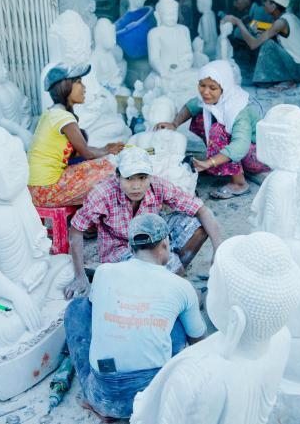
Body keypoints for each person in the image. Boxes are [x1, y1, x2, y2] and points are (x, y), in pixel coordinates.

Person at [64, 213, 207, 421]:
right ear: (165, 244)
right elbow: (198, 342)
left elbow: (92, 312)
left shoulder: (104, 272)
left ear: (131, 248)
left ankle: (96, 404)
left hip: (103, 397)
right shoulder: (181, 287)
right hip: (154, 398)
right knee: (177, 320)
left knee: (77, 308)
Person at [65, 147, 222, 297]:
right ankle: (168, 275)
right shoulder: (102, 193)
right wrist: (80, 276)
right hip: (120, 248)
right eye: (129, 179)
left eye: (142, 178)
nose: (136, 186)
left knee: (199, 223)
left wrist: (218, 250)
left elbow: (202, 210)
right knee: (162, 273)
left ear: (150, 176)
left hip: (154, 238)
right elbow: (76, 230)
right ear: (117, 177)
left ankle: (173, 270)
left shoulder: (157, 185)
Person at [156, 60, 270, 200]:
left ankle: (239, 183)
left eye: (212, 88)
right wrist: (174, 124)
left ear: (224, 88)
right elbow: (191, 106)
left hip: (257, 157)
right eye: (202, 85)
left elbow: (239, 147)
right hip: (241, 151)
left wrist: (209, 163)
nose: (205, 92)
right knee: (201, 118)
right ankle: (221, 163)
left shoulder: (238, 109)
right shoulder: (212, 98)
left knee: (217, 131)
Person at [27, 63, 124, 207]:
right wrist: (108, 149)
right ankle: (94, 221)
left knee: (101, 166)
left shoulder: (52, 114)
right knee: (112, 175)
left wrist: (106, 149)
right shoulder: (63, 117)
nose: (84, 87)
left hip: (37, 188)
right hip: (45, 190)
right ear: (64, 87)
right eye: (78, 82)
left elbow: (80, 152)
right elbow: (87, 153)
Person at [223, 0, 300, 86]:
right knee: (265, 39)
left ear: (273, 6)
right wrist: (252, 25)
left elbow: (253, 44)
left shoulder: (280, 22)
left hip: (298, 70)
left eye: (266, 1)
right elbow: (268, 29)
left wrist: (238, 22)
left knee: (267, 44)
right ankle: (284, 78)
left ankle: (271, 81)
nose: (263, 4)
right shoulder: (289, 17)